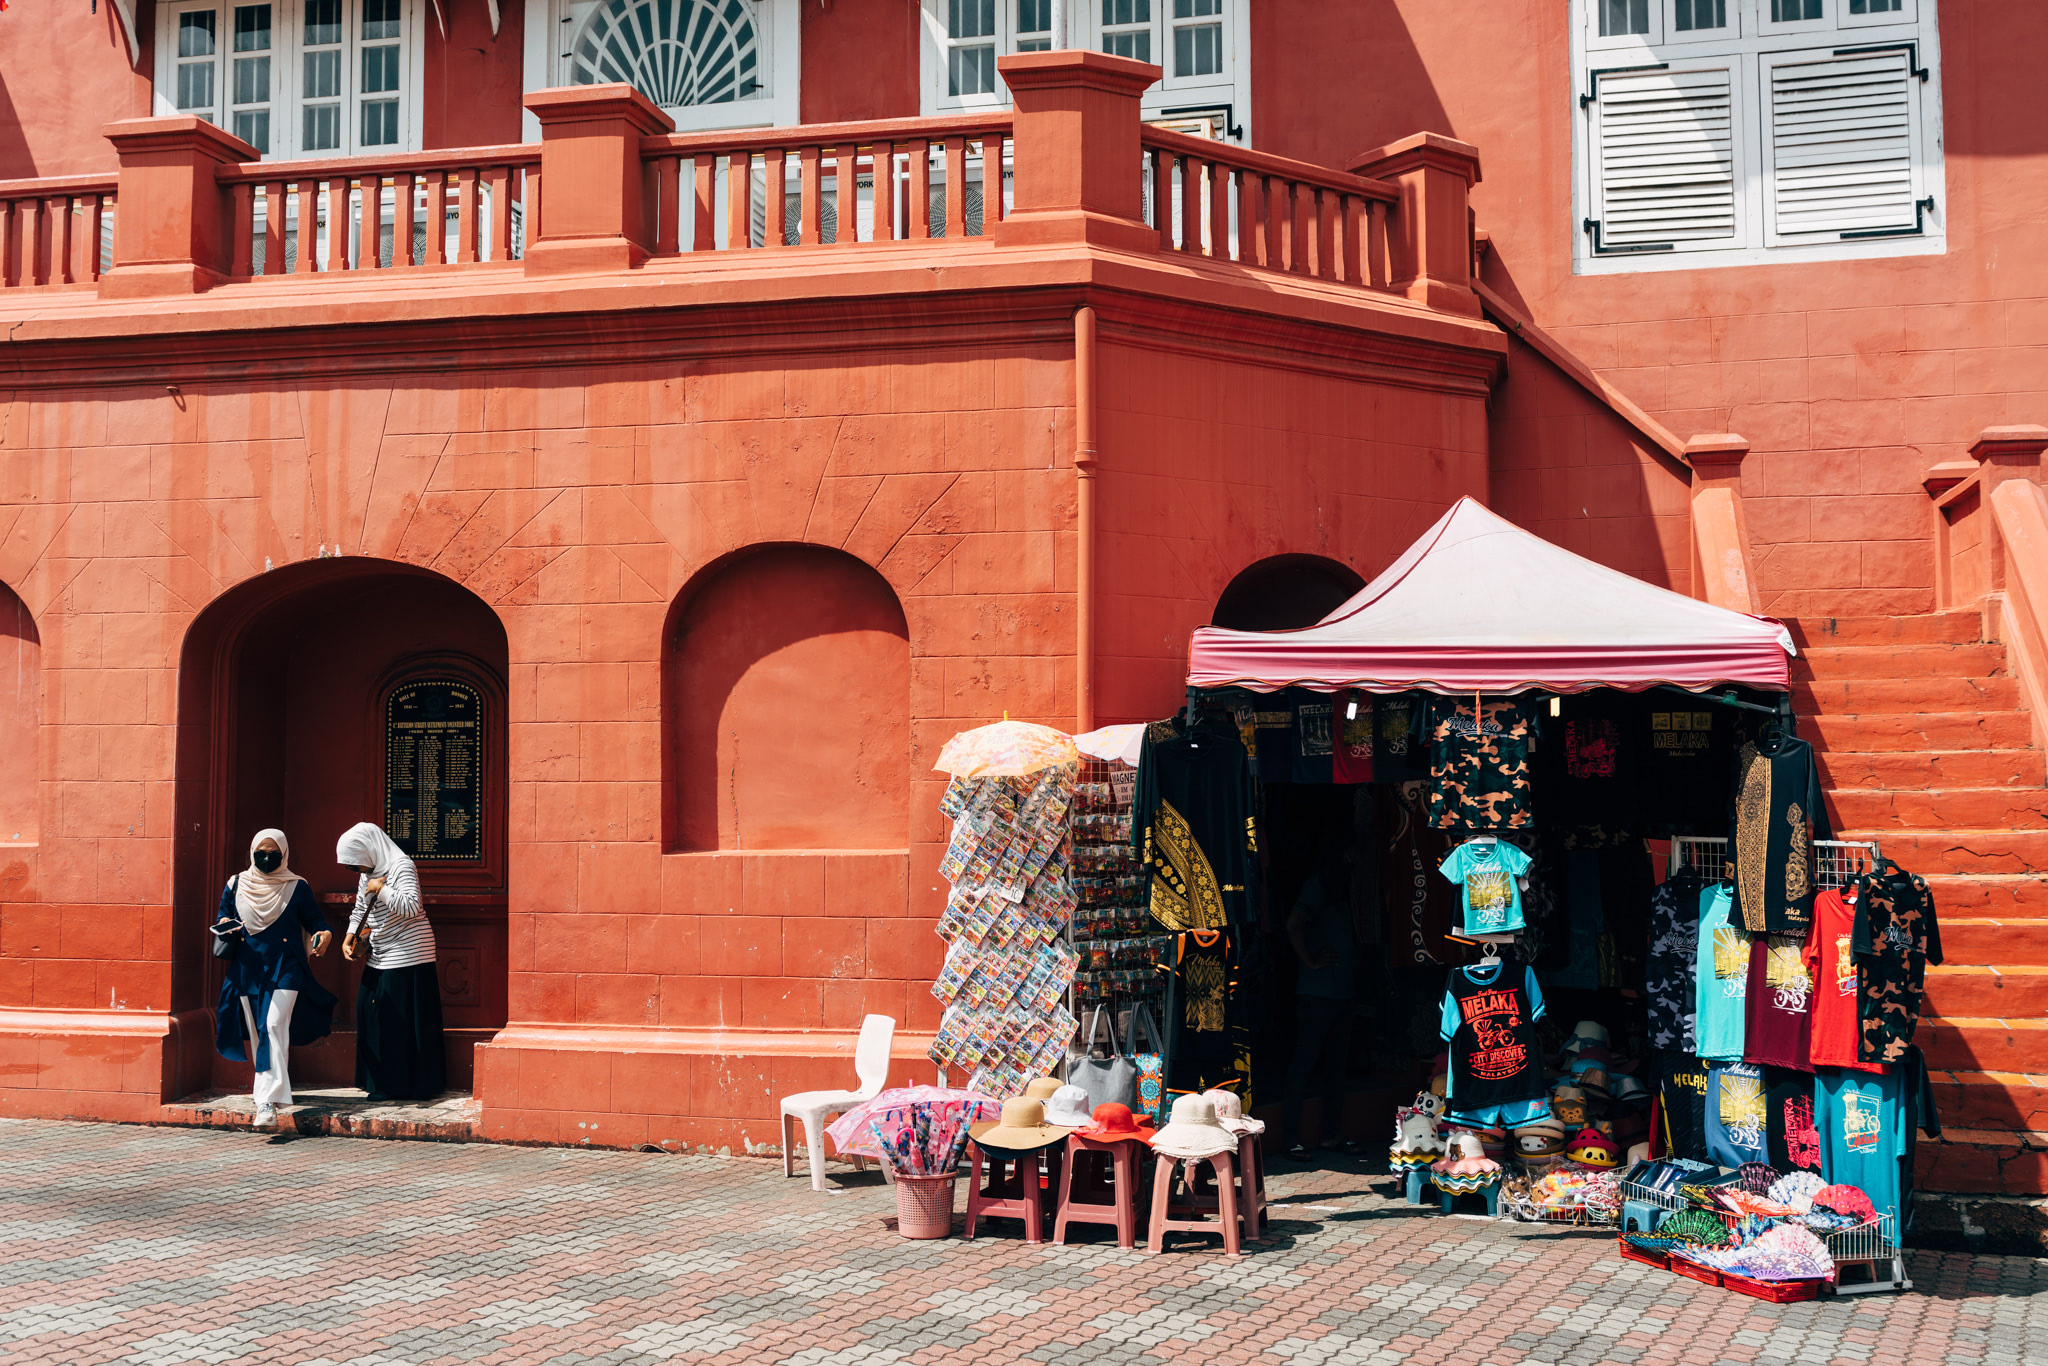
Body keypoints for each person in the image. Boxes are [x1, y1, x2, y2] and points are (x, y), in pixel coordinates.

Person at [212, 829, 336, 1130]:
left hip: (286, 965)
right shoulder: (236, 884)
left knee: (273, 1024)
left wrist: (324, 935)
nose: (267, 858)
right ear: (252, 852)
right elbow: (222, 917)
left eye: (273, 853)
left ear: (284, 854)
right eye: (261, 852)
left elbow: (316, 923)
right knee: (258, 1032)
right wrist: (226, 927)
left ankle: (267, 1102)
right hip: (248, 967)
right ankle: (268, 1098)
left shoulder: (296, 887)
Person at [337, 821, 445, 1101]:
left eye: (355, 864)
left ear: (369, 850)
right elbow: (361, 906)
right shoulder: (369, 870)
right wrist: (349, 936)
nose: (355, 870)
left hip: (409, 953)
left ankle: (400, 1086)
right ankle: (377, 1081)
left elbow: (412, 907)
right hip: (380, 950)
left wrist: (381, 889)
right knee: (369, 1012)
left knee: (396, 1021)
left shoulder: (401, 866)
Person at [1283, 843, 1362, 1161]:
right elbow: (1292, 925)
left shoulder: (1346, 890)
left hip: (1341, 991)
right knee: (1304, 1064)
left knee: (1336, 1067)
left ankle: (1331, 1134)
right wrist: (1311, 961)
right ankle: (1290, 1138)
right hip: (1318, 993)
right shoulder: (1319, 887)